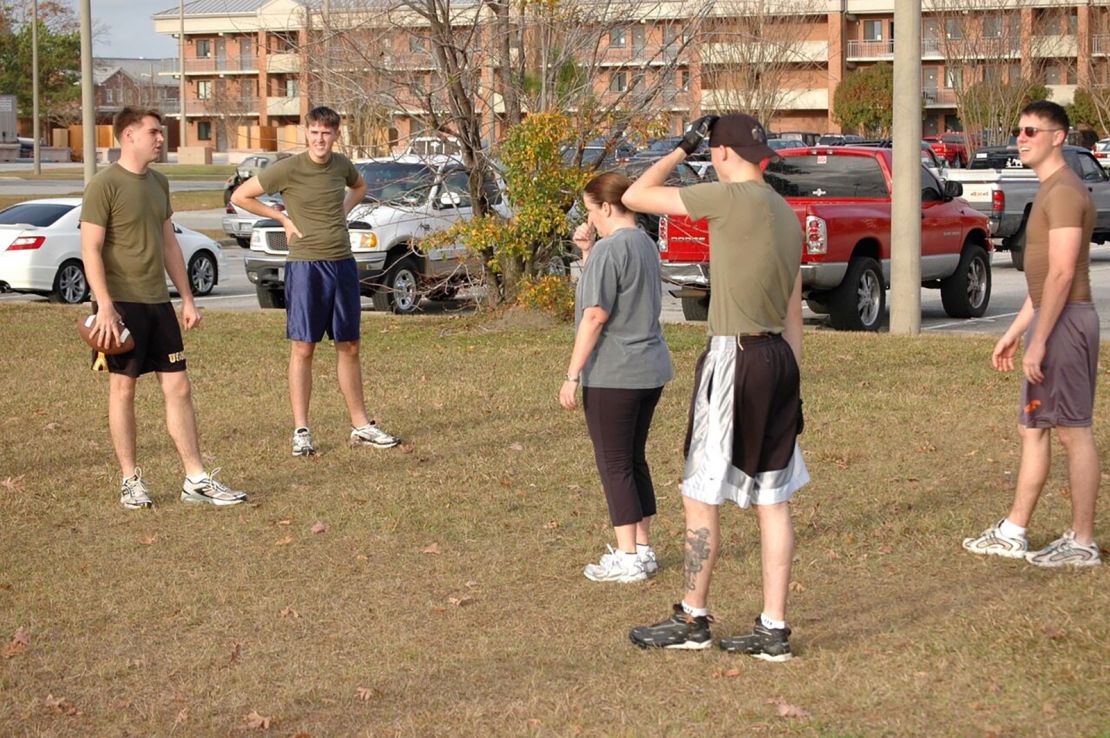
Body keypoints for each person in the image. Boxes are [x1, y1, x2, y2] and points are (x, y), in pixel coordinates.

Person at [621, 113, 808, 659]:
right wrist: (793, 383)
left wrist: (683, 146)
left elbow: (637, 193)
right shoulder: (786, 213)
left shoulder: (728, 198)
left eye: (712, 152)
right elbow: (794, 311)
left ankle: (693, 617)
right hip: (777, 358)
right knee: (773, 499)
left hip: (735, 355)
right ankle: (773, 629)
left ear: (721, 152)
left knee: (699, 493)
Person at [80, 107, 246, 508]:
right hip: (120, 306)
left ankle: (196, 478)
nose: (161, 139)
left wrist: (187, 299)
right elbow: (90, 248)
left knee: (179, 386)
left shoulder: (159, 182)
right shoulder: (104, 185)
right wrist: (105, 306)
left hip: (159, 303)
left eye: (162, 132)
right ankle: (130, 480)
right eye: (154, 132)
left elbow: (169, 243)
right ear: (128, 136)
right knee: (123, 389)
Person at [963, 100, 1101, 567]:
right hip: (1052, 316)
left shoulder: (1063, 191)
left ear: (1057, 137)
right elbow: (1043, 282)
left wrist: (1041, 338)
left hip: (1066, 321)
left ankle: (1082, 542)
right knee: (1034, 426)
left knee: (1071, 431)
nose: (1021, 138)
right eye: (1019, 131)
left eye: (1031, 131)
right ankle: (1014, 530)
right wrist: (1017, 330)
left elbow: (1063, 274)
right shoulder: (1048, 189)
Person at [232, 106, 400, 456]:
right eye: (314, 132)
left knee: (349, 345)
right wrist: (280, 217)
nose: (320, 138)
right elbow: (241, 196)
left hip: (342, 263)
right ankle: (301, 430)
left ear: (336, 134)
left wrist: (343, 211)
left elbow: (359, 186)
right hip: (306, 266)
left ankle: (361, 425)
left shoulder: (341, 165)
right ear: (305, 133)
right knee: (303, 347)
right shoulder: (289, 168)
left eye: (327, 132)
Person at [559, 172, 674, 583]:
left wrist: (572, 375)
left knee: (614, 463)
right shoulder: (644, 242)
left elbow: (595, 315)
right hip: (650, 369)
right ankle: (642, 548)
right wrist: (588, 251)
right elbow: (612, 289)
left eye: (591, 211)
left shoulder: (613, 249)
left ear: (607, 207)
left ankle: (627, 556)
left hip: (614, 373)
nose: (590, 220)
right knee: (633, 457)